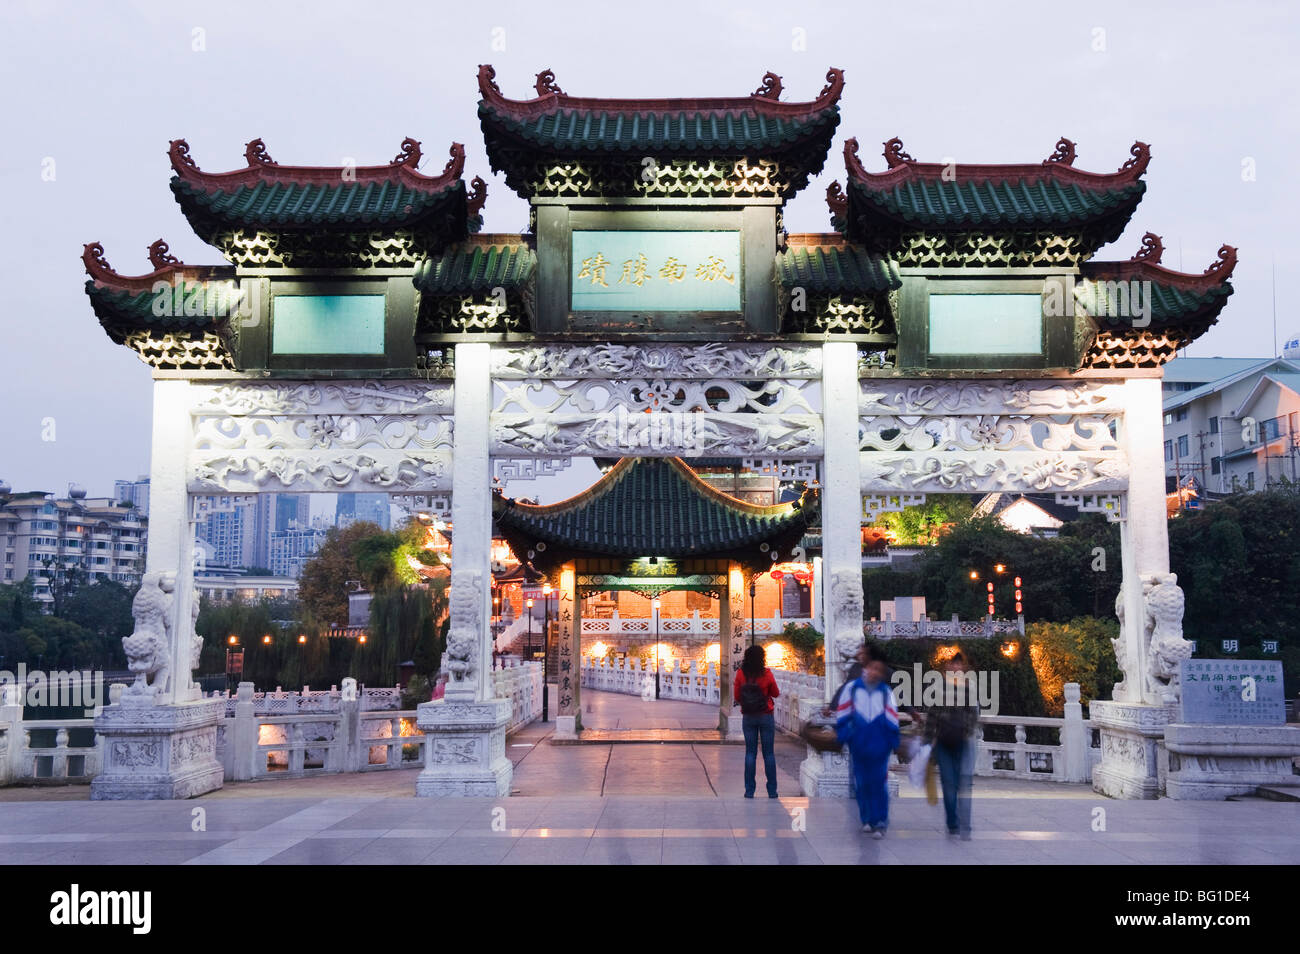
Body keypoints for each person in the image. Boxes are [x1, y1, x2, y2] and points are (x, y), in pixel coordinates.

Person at [835, 646, 900, 837]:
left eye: (879, 670)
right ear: (867, 667)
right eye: (873, 668)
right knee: (861, 783)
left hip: (880, 746)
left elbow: (892, 719)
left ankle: (880, 821)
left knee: (879, 783)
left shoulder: (886, 692)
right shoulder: (852, 689)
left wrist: (893, 742)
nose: (874, 672)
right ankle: (866, 819)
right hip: (858, 745)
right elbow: (843, 714)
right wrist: (845, 736)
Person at [918, 653, 980, 839]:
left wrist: (964, 732)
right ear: (948, 668)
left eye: (959, 665)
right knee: (949, 783)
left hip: (963, 743)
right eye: (954, 665)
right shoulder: (938, 688)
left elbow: (973, 716)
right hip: (943, 742)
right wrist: (927, 743)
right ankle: (953, 823)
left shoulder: (969, 689)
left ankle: (964, 825)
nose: (956, 668)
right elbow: (932, 717)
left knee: (963, 783)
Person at [734, 644, 780, 798]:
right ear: (762, 658)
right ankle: (772, 791)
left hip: (748, 716)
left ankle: (749, 791)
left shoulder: (740, 674)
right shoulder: (767, 673)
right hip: (766, 715)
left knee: (750, 753)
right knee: (769, 754)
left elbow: (737, 696)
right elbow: (776, 693)